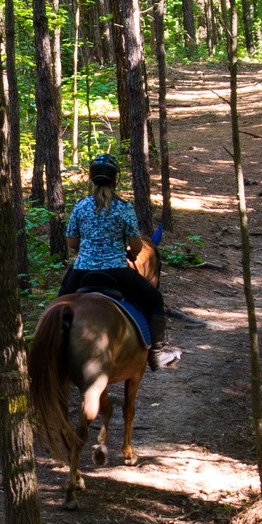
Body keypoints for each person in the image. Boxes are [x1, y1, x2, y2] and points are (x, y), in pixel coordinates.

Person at [60, 153, 182, 371]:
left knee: (57, 307)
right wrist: (124, 249)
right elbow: (136, 246)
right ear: (115, 179)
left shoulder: (80, 206)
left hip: (81, 271)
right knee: (154, 299)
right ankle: (156, 354)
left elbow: (71, 242)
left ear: (92, 178)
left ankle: (53, 351)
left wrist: (88, 249)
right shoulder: (124, 207)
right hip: (116, 270)